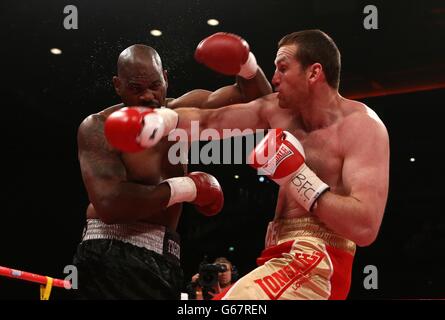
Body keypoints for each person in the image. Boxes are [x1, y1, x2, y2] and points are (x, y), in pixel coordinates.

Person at [135, 29, 390, 299]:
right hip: (278, 255)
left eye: (283, 68)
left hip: (320, 260)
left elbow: (365, 227)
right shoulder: (278, 110)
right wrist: (160, 121)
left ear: (314, 73)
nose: (274, 78)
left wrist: (298, 176)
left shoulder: (362, 126)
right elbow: (211, 121)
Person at [73, 32, 272, 299]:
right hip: (112, 251)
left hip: (164, 257)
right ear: (117, 85)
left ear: (166, 78)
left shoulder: (185, 112)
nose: (148, 96)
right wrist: (188, 187)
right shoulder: (99, 126)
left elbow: (258, 105)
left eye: (155, 85)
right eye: (136, 88)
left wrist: (246, 64)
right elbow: (110, 204)